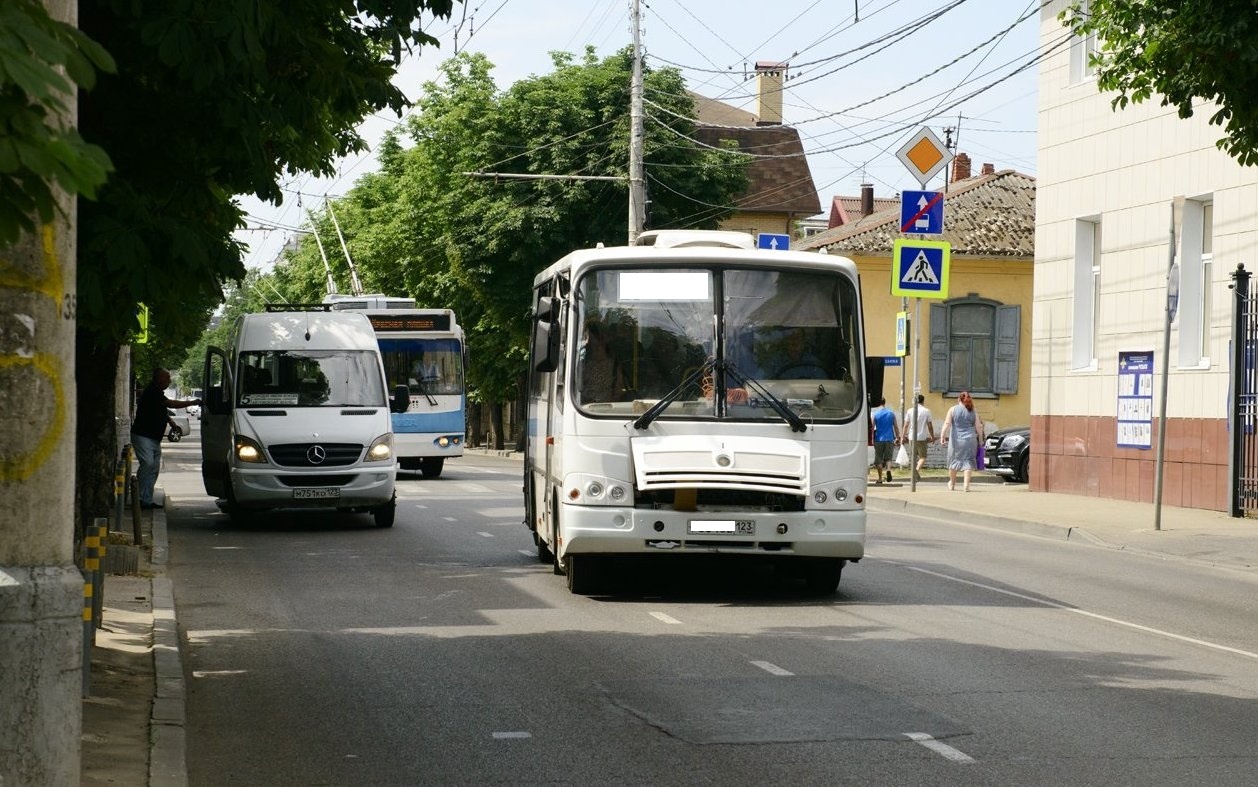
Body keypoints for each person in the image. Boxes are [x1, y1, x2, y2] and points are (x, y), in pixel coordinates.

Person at [131, 368, 201, 510]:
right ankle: (137, 496)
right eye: (167, 377)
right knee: (148, 464)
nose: (169, 380)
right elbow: (171, 404)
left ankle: (147, 500)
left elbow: (159, 409)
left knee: (154, 468)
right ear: (158, 378)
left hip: (153, 437)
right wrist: (192, 402)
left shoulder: (157, 393)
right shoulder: (152, 392)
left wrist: (170, 421)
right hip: (143, 435)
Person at [940, 390, 985, 492]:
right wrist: (981, 441)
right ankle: (966, 485)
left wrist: (942, 436)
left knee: (953, 462)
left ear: (958, 399)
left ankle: (952, 484)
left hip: (956, 441)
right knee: (968, 462)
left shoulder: (952, 409)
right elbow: (979, 427)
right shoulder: (973, 410)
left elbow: (947, 423)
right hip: (970, 440)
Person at [902, 394, 936, 482]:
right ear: (923, 401)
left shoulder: (910, 411)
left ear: (914, 401)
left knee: (913, 457)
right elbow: (930, 426)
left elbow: (906, 425)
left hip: (911, 437)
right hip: (922, 437)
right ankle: (916, 470)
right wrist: (932, 436)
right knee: (923, 457)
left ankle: (914, 472)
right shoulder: (926, 411)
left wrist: (902, 436)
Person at [870, 396, 901, 484]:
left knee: (878, 459)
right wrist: (898, 437)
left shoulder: (875, 414)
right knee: (888, 458)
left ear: (878, 403)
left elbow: (872, 428)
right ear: (884, 402)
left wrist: (871, 439)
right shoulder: (891, 413)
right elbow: (895, 426)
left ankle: (880, 478)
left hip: (878, 439)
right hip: (889, 438)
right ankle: (888, 470)